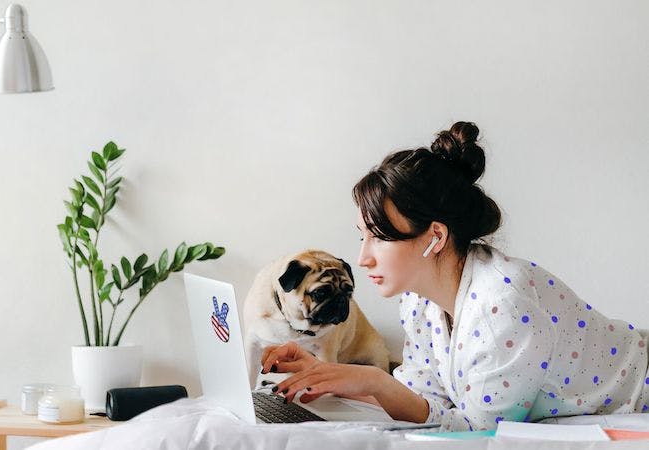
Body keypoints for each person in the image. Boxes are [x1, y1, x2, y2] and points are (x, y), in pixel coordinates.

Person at [260, 121, 649, 431]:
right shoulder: (419, 300)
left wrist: (374, 381)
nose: (362, 259)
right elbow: (425, 398)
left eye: (378, 238)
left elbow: (476, 430)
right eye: (361, 237)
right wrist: (331, 375)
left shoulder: (502, 304)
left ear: (435, 237)